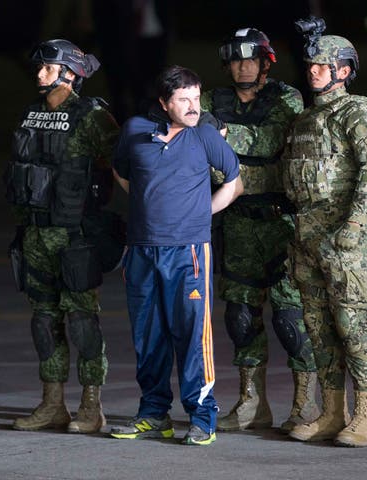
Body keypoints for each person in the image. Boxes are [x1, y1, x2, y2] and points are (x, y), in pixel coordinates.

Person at [109, 65, 242, 446]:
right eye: (184, 99)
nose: (193, 106)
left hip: (189, 252)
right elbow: (121, 172)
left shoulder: (204, 135)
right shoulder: (135, 131)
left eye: (196, 98)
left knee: (192, 335)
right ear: (164, 103)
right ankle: (153, 414)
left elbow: (234, 179)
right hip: (141, 250)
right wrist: (144, 201)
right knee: (147, 336)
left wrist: (202, 212)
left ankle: (203, 417)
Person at [200, 28, 319, 433]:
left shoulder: (286, 98)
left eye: (251, 59)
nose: (243, 66)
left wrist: (221, 137)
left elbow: (270, 141)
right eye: (235, 59)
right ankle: (252, 403)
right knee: (239, 317)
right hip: (235, 224)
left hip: (279, 224)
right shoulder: (213, 101)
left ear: (266, 63)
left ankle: (306, 403)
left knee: (290, 319)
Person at [3, 39, 120, 434]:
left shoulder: (92, 116)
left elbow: (123, 166)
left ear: (70, 73)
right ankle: (53, 404)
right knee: (43, 320)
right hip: (35, 234)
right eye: (39, 67)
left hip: (74, 236)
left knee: (83, 321)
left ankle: (91, 407)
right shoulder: (30, 114)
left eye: (49, 68)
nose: (40, 74)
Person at [281, 17, 367, 447]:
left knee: (351, 323)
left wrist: (356, 223)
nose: (313, 71)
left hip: (345, 240)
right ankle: (330, 413)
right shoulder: (305, 119)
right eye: (311, 65)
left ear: (343, 70)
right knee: (318, 326)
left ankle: (365, 418)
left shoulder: (356, 111)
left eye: (323, 66)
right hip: (306, 237)